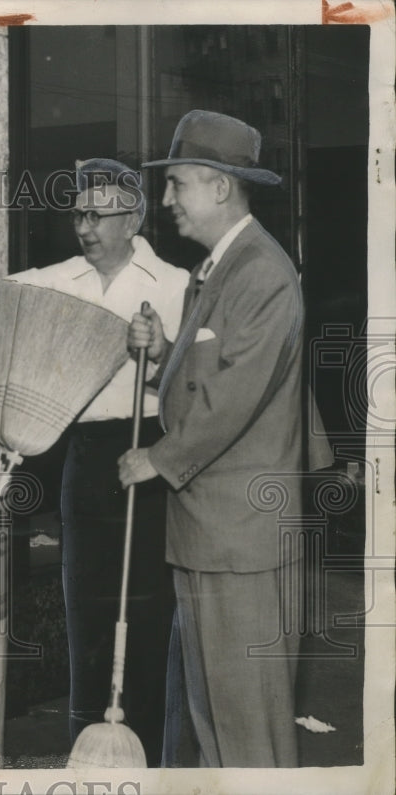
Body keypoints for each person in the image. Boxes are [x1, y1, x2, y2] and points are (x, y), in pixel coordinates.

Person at [0, 159, 188, 765]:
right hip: (85, 459)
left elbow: (199, 390)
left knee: (147, 607)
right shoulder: (64, 278)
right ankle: (88, 749)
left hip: (152, 452)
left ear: (132, 217)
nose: (85, 227)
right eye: (79, 214)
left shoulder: (175, 284)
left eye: (99, 214)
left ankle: (151, 755)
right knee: (85, 606)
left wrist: (160, 356)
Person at [119, 109, 332, 767]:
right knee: (216, 721)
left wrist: (158, 458)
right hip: (213, 533)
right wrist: (161, 357)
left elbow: (237, 392)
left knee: (249, 731)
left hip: (241, 540)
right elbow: (211, 376)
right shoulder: (224, 267)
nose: (166, 201)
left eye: (175, 183)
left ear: (218, 186)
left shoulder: (261, 272)